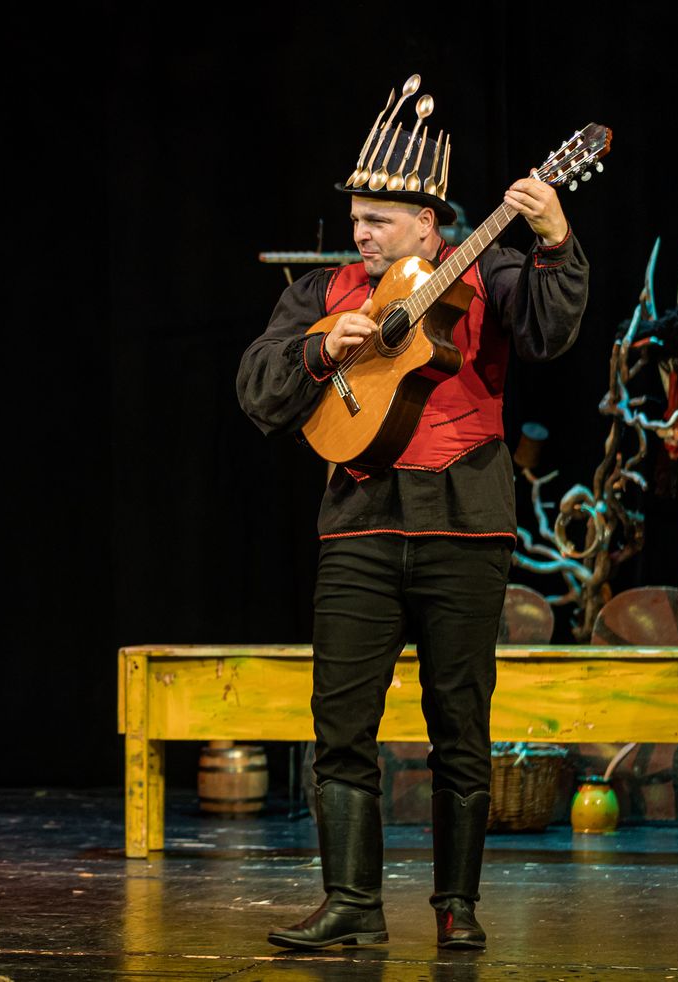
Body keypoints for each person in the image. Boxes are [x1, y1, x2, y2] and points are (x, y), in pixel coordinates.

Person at [235, 95, 588, 950]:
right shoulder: (327, 292)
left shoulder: (490, 274)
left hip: (464, 522)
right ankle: (351, 901)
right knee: (339, 723)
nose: (360, 234)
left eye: (378, 221)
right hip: (359, 523)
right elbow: (258, 386)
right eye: (357, 218)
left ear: (427, 225)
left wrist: (555, 241)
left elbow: (550, 333)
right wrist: (320, 349)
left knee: (459, 724)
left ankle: (457, 907)